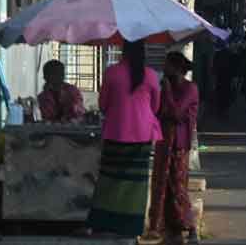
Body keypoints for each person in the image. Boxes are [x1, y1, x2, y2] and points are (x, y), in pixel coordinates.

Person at [87, 40, 162, 238]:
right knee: (135, 183)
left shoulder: (112, 72)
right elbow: (155, 107)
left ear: (123, 51)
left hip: (116, 133)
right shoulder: (151, 75)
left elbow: (103, 104)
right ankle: (131, 227)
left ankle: (103, 223)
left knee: (109, 179)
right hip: (143, 136)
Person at [146, 52, 200, 245]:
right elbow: (158, 111)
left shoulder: (190, 88)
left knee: (178, 186)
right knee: (161, 184)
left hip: (178, 144)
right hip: (163, 141)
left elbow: (177, 113)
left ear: (177, 68)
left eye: (168, 66)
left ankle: (190, 227)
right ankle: (167, 228)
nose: (165, 69)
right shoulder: (165, 88)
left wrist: (167, 92)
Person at [37, 59, 86, 124]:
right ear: (46, 77)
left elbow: (79, 113)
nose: (60, 76)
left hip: (74, 129)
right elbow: (47, 117)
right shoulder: (43, 97)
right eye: (53, 74)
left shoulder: (72, 91)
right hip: (52, 131)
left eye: (60, 73)